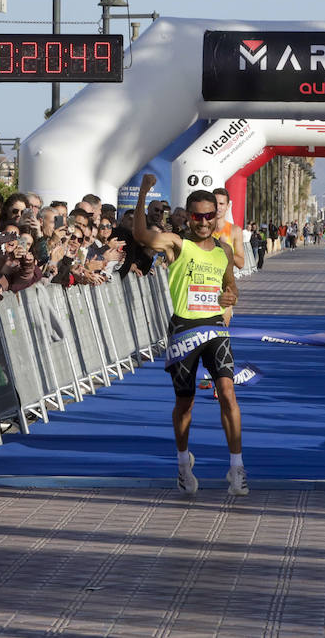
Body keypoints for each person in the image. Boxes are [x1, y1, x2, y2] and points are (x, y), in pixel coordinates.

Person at [132, 174, 245, 497]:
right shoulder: (177, 244)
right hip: (184, 330)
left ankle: (237, 468)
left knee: (227, 392)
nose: (204, 222)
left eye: (210, 215)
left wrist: (230, 297)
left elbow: (230, 286)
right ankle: (183, 464)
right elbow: (140, 234)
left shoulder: (223, 250)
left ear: (216, 217)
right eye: (197, 216)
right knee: (186, 402)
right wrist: (143, 192)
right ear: (190, 217)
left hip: (215, 329)